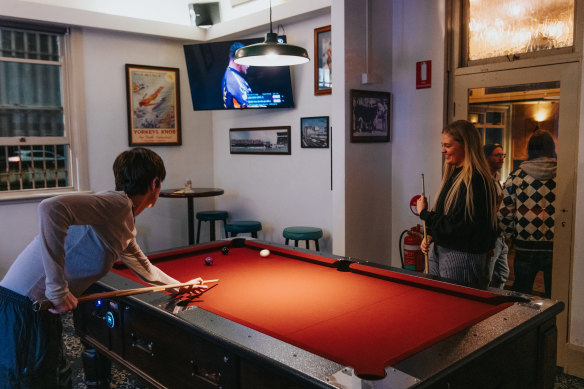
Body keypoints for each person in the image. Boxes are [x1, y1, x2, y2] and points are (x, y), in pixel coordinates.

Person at [0, 147, 206, 388]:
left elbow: (146, 269)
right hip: (22, 308)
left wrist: (181, 287)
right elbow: (50, 209)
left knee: (58, 380)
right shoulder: (116, 203)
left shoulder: (122, 221)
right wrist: (57, 289)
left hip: (38, 310)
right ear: (155, 183)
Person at [416, 120, 499, 288]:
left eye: (448, 145)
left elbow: (460, 226)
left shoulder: (476, 180)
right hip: (442, 250)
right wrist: (431, 234)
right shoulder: (454, 175)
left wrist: (424, 214)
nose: (443, 150)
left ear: (465, 145)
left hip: (462, 256)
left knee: (454, 308)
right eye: (442, 145)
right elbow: (449, 216)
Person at [499, 130, 557, 297]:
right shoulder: (563, 175)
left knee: (521, 295)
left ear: (530, 149)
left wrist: (510, 237)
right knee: (556, 295)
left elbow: (504, 214)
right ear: (551, 148)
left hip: (525, 245)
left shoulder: (517, 177)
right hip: (556, 246)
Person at [483, 143, 510, 288]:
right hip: (491, 236)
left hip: (500, 236)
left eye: (502, 155)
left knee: (502, 274)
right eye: (497, 155)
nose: (501, 158)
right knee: (487, 275)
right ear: (486, 158)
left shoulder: (497, 180)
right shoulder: (484, 180)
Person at [222, 42, 252, 109]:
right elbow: (249, 106)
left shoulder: (228, 73)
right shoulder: (235, 81)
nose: (248, 65)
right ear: (237, 60)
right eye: (246, 60)